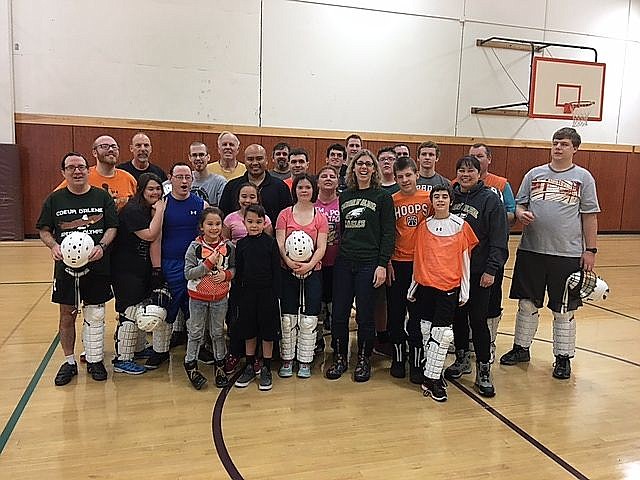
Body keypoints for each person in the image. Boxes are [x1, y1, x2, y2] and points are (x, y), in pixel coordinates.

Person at [501, 127, 600, 380]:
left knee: (563, 309)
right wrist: (521, 213)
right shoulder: (534, 174)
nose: (558, 147)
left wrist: (590, 250)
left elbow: (589, 216)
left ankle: (563, 358)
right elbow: (520, 204)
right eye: (555, 143)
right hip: (531, 250)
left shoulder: (583, 178)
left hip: (566, 255)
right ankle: (521, 349)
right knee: (526, 304)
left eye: (564, 144)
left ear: (574, 149)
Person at [37, 152, 118, 385]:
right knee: (66, 315)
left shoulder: (102, 197)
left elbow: (112, 227)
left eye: (81, 167)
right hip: (66, 269)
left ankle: (94, 359)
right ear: (63, 172)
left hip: (96, 266)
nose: (77, 171)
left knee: (96, 314)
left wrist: (102, 245)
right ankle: (69, 361)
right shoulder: (55, 199)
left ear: (87, 170)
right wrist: (53, 245)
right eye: (71, 167)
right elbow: (43, 229)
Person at [326, 149, 395, 382]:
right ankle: (340, 358)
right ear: (353, 168)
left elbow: (388, 233)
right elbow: (343, 230)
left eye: (368, 164)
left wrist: (382, 264)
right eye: (359, 164)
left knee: (366, 316)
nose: (364, 167)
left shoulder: (382, 197)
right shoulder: (344, 196)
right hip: (345, 262)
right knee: (339, 314)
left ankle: (364, 359)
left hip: (369, 263)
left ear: (374, 169)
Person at [444, 156, 508, 397]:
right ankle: (462, 359)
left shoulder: (490, 199)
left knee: (478, 320)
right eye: (461, 170)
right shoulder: (451, 197)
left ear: (480, 173)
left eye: (470, 171)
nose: (465, 175)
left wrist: (492, 269)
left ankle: (483, 367)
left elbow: (499, 238)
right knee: (458, 317)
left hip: (480, 272)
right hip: (454, 271)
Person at [408, 184, 478, 402]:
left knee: (443, 335)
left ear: (451, 201)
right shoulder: (423, 227)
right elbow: (418, 258)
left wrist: (464, 290)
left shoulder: (461, 226)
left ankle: (432, 378)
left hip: (449, 288)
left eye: (444, 197)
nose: (440, 200)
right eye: (436, 196)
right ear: (431, 201)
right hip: (425, 287)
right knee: (426, 332)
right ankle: (433, 373)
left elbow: (465, 259)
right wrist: (413, 286)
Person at [110, 173, 171, 375]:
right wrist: (161, 210)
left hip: (141, 268)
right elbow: (151, 235)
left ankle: (136, 349)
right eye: (150, 189)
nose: (155, 193)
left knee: (139, 307)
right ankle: (122, 359)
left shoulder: (146, 209)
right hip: (125, 270)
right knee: (129, 312)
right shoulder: (132, 210)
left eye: (158, 189)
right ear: (141, 190)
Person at [276, 174, 328, 378]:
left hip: (312, 272)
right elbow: (280, 242)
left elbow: (322, 246)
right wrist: (288, 262)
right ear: (294, 190)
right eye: (300, 187)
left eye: (307, 187)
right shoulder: (284, 214)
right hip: (287, 271)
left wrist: (309, 265)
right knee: (288, 318)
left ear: (313, 190)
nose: (304, 191)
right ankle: (287, 359)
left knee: (308, 318)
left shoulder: (320, 217)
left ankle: (305, 361)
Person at [469, 142, 516, 362]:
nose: (475, 160)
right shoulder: (457, 185)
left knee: (490, 301)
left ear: (489, 159)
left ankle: (490, 343)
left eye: (479, 156)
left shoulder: (501, 184)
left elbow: (512, 214)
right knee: (465, 304)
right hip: (466, 259)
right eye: (471, 156)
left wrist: (490, 217)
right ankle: (466, 347)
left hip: (491, 255)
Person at [221, 183, 273, 375]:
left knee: (262, 320)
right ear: (238, 198)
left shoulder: (266, 221)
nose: (247, 200)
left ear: (257, 199)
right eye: (244, 196)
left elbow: (269, 251)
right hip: (240, 277)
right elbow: (225, 245)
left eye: (252, 196)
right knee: (238, 318)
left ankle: (261, 358)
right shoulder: (230, 219)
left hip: (262, 282)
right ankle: (236, 352)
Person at [387, 157, 430, 381]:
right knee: (396, 314)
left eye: (408, 175)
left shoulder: (428, 199)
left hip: (420, 265)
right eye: (400, 176)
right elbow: (386, 234)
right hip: (397, 264)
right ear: (395, 178)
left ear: (416, 175)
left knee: (417, 316)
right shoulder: (391, 200)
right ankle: (397, 359)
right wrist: (387, 262)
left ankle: (416, 362)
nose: (404, 180)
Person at [184, 207, 235, 389]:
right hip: (198, 297)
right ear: (202, 226)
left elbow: (234, 268)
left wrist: (227, 275)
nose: (214, 228)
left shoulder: (228, 247)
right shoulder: (195, 247)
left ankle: (219, 366)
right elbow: (188, 273)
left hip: (220, 297)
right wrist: (207, 264)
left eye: (217, 224)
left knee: (218, 332)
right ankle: (190, 364)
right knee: (196, 331)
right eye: (210, 224)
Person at [233, 205, 281, 391]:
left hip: (267, 293)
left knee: (268, 331)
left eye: (258, 222)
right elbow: (239, 272)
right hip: (247, 294)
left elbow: (276, 271)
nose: (254, 225)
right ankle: (249, 365)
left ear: (264, 223)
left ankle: (266, 367)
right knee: (249, 330)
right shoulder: (242, 245)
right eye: (250, 221)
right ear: (244, 222)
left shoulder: (270, 243)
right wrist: (237, 296)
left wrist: (277, 295)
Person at [162, 163, 206, 356]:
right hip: (169, 263)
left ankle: (198, 347)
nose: (184, 181)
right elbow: (154, 238)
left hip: (195, 265)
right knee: (166, 308)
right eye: (179, 177)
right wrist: (156, 267)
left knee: (195, 307)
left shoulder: (201, 205)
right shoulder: (161, 205)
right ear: (170, 178)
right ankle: (160, 349)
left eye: (187, 177)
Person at [58, 135, 137, 212]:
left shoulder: (128, 178)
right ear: (94, 152)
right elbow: (56, 200)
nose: (110, 149)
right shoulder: (83, 176)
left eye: (114, 147)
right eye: (105, 146)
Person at [218, 144, 292, 224]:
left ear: (266, 160)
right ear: (244, 161)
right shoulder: (231, 186)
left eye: (259, 158)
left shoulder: (280, 187)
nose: (255, 163)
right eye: (250, 159)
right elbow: (222, 217)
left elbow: (287, 218)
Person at [313, 166, 340, 353]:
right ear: (318, 182)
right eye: (324, 175)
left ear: (338, 181)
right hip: (316, 263)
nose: (328, 179)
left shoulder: (343, 203)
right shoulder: (311, 205)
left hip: (338, 263)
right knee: (318, 304)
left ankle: (338, 342)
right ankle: (317, 341)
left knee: (336, 305)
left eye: (332, 176)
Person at [189, 141, 227, 206]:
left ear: (208, 157)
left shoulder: (219, 182)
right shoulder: (184, 179)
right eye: (194, 155)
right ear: (189, 158)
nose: (198, 158)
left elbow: (222, 210)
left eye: (201, 155)